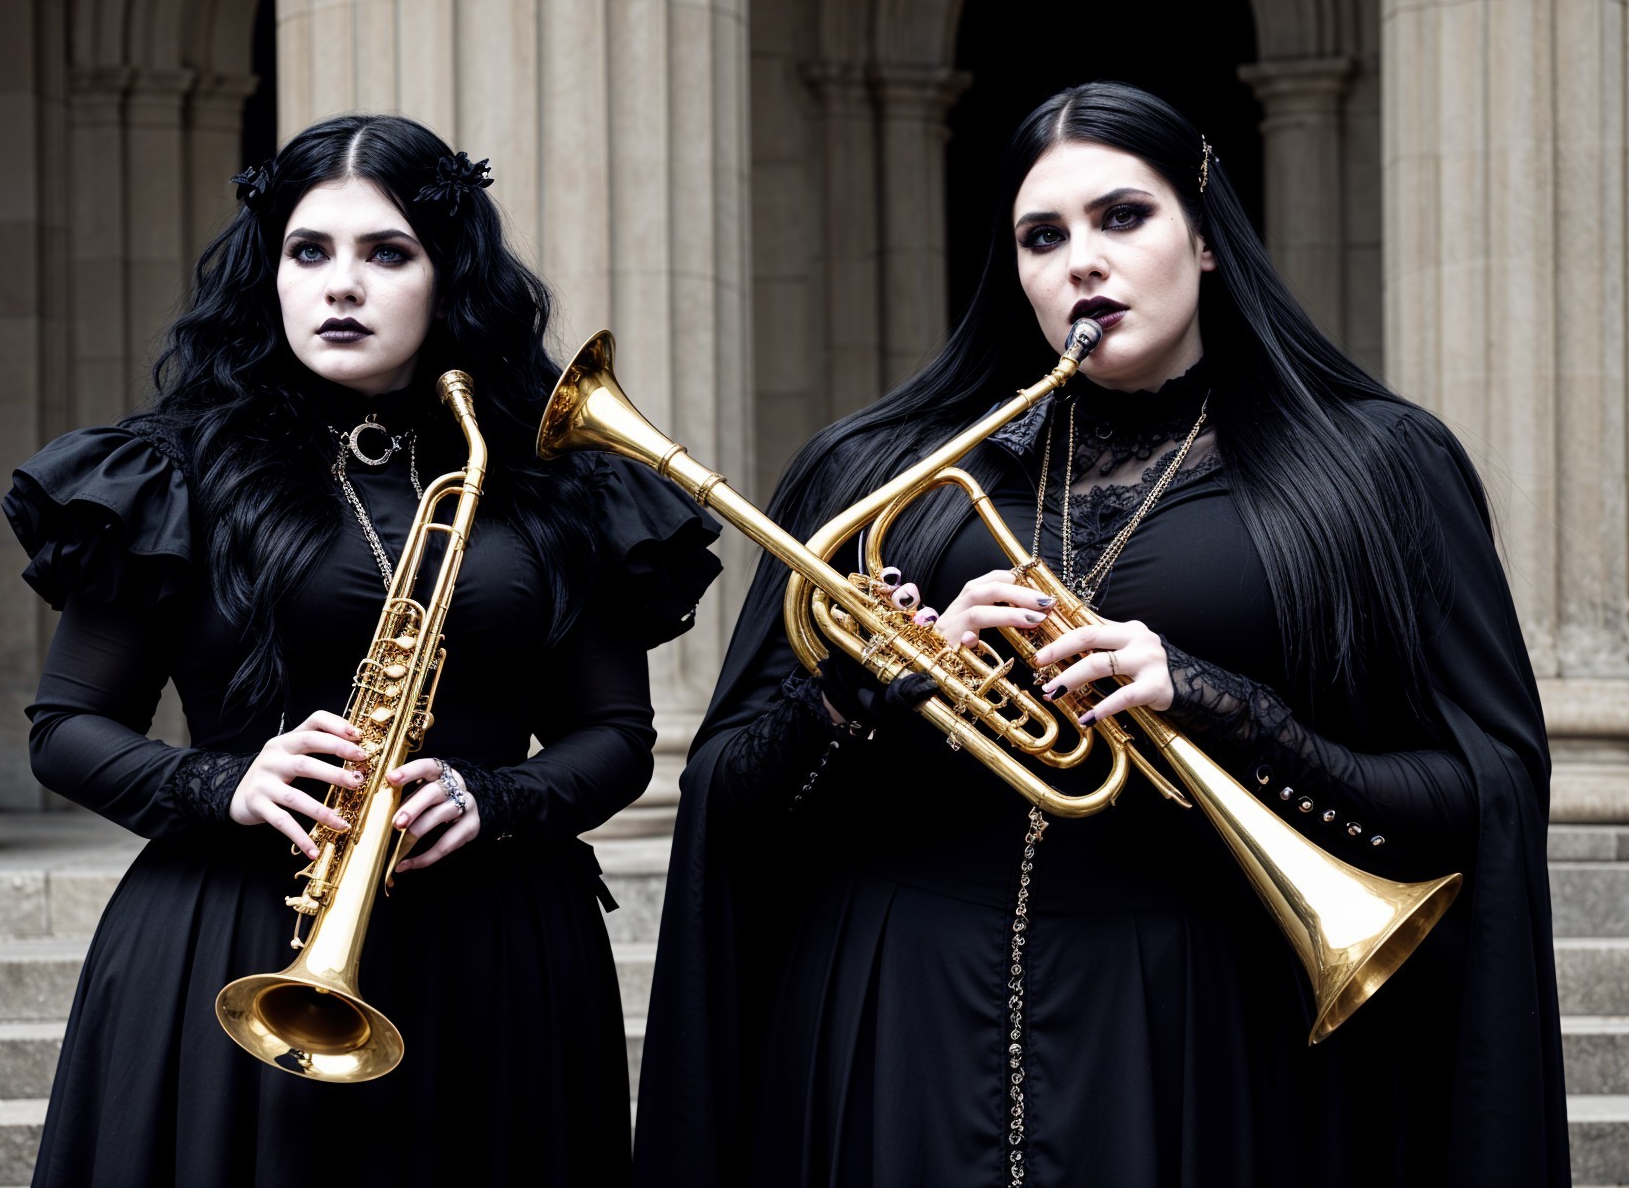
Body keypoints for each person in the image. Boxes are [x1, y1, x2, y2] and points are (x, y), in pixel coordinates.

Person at [632, 82, 1568, 1187]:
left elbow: (1482, 792)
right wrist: (873, 686)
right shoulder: (877, 471)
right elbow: (728, 794)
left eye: (1123, 216)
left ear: (1209, 239)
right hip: (895, 1013)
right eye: (1043, 236)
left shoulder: (1379, 467)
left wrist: (1223, 703)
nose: (1082, 260)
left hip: (1206, 1031)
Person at [3, 114, 720, 1186]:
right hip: (233, 934)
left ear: (449, 279)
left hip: (497, 953)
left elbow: (616, 735)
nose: (342, 285)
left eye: (388, 253)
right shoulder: (171, 470)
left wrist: (500, 798)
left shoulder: (553, 480)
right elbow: (64, 729)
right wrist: (223, 782)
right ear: (271, 275)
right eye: (310, 252)